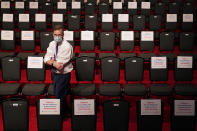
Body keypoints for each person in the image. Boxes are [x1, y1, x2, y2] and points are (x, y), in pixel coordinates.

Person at [44, 25, 73, 118]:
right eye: (55, 34)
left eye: (59, 35)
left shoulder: (67, 46)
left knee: (58, 95)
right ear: (53, 34)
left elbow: (59, 66)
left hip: (63, 75)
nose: (57, 37)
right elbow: (46, 58)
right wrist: (53, 62)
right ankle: (67, 111)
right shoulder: (52, 43)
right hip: (55, 74)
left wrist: (51, 61)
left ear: (63, 35)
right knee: (60, 94)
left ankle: (62, 115)